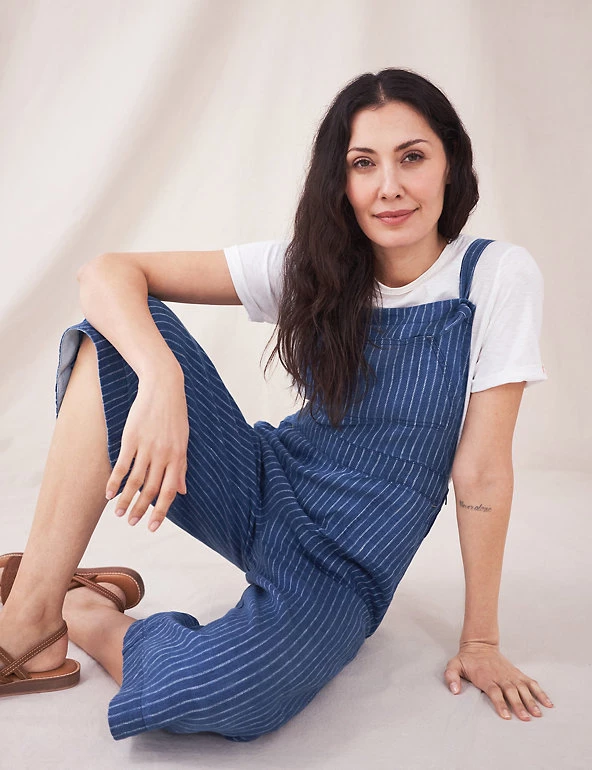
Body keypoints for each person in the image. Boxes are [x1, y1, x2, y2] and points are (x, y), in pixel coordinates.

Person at [0, 67, 554, 739]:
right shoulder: (312, 268)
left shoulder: (493, 276)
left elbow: (482, 472)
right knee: (117, 339)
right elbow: (107, 273)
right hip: (263, 488)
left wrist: (482, 640)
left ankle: (85, 610)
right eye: (363, 163)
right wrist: (161, 379)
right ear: (340, 182)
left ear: (450, 164)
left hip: (344, 568)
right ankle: (29, 623)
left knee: (224, 698)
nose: (389, 186)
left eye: (411, 157)